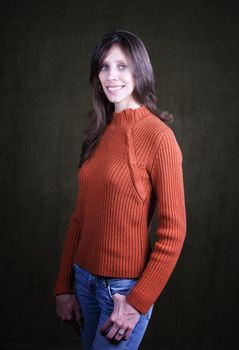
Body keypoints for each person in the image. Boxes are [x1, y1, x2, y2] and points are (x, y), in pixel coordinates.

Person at [54, 30, 187, 350]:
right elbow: (79, 217)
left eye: (122, 66)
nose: (111, 76)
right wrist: (64, 287)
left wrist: (137, 302)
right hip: (83, 281)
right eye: (103, 67)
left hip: (124, 292)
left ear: (140, 70)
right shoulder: (98, 134)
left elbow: (174, 231)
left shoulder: (159, 138)